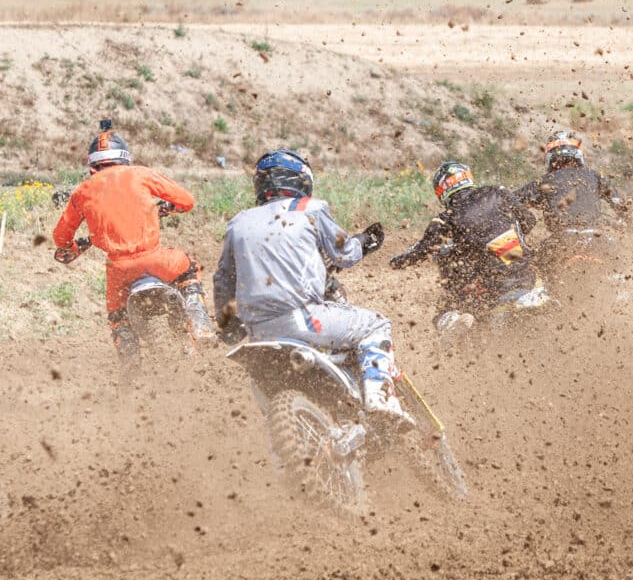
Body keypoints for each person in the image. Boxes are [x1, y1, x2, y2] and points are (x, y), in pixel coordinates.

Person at [212, 149, 410, 424]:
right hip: (304, 320)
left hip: (258, 334)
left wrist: (228, 325)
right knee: (376, 324)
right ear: (301, 181)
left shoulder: (239, 222)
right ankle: (380, 398)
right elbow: (345, 254)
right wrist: (364, 240)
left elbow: (223, 279)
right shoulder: (311, 208)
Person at [52, 124, 216, 359]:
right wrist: (168, 208)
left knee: (117, 316)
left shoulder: (82, 192)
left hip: (120, 271)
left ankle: (129, 361)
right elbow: (187, 201)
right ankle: (199, 322)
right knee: (189, 269)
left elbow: (60, 238)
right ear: (124, 157)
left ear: (92, 164)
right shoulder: (141, 174)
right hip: (159, 261)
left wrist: (71, 247)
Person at [390, 161, 543, 333]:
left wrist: (395, 261)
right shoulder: (497, 192)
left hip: (491, 284)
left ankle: (456, 325)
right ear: (467, 178)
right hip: (524, 274)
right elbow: (529, 221)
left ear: (441, 191)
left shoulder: (446, 218)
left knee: (446, 305)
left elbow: (420, 251)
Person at [515, 130, 627, 266]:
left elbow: (511, 202)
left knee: (531, 271)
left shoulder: (546, 180)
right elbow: (621, 205)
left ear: (550, 158)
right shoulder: (594, 176)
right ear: (578, 155)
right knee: (624, 269)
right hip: (598, 240)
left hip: (561, 242)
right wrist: (625, 222)